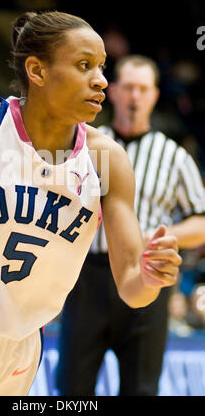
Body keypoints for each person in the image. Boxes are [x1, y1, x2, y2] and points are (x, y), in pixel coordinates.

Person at [0, 15, 181, 397]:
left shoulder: (107, 161)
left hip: (22, 344)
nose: (101, 79)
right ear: (37, 70)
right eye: (84, 65)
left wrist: (152, 277)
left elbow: (133, 285)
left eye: (102, 66)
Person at [56, 54, 205, 396]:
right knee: (71, 385)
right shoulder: (84, 144)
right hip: (85, 276)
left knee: (141, 386)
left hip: (147, 272)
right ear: (115, 92)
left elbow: (202, 221)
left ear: (154, 95)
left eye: (143, 89)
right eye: (128, 88)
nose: (135, 96)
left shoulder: (174, 156)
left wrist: (159, 236)